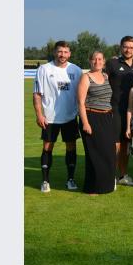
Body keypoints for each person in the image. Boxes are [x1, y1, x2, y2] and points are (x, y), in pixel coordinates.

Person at [33, 40, 83, 192]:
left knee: (71, 147)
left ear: (70, 53)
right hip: (50, 118)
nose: (62, 55)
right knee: (48, 147)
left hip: (70, 117)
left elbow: (82, 94)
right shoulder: (44, 69)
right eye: (60, 51)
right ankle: (45, 181)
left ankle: (70, 179)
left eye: (66, 52)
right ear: (55, 52)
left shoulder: (76, 70)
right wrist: (39, 115)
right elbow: (37, 94)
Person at [76, 51, 115, 195]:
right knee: (94, 154)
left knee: (108, 153)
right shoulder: (85, 77)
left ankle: (107, 185)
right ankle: (93, 187)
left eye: (100, 59)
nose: (97, 61)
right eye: (94, 59)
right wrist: (85, 123)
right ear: (90, 61)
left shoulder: (105, 76)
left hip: (106, 118)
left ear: (103, 61)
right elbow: (80, 103)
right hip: (91, 117)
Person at [105, 35, 133, 186]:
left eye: (131, 47)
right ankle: (111, 175)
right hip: (115, 109)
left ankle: (123, 175)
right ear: (121, 47)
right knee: (115, 144)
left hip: (132, 111)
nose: (128, 50)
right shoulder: (112, 63)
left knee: (126, 145)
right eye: (126, 46)